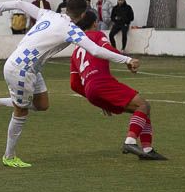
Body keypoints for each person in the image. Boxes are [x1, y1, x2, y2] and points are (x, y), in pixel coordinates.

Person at [0, 0, 139, 168]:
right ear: (83, 14)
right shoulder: (71, 30)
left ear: (67, 8)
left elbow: (19, 4)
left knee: (42, 104)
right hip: (21, 70)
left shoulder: (49, 14)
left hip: (29, 67)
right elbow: (95, 50)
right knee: (21, 111)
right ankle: (9, 156)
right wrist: (126, 59)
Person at [69, 10, 165, 160]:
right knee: (143, 106)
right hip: (101, 82)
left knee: (143, 109)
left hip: (90, 91)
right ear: (95, 23)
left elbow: (74, 84)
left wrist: (97, 99)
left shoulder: (75, 50)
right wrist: (127, 59)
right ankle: (130, 141)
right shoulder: (97, 35)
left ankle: (147, 149)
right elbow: (106, 48)